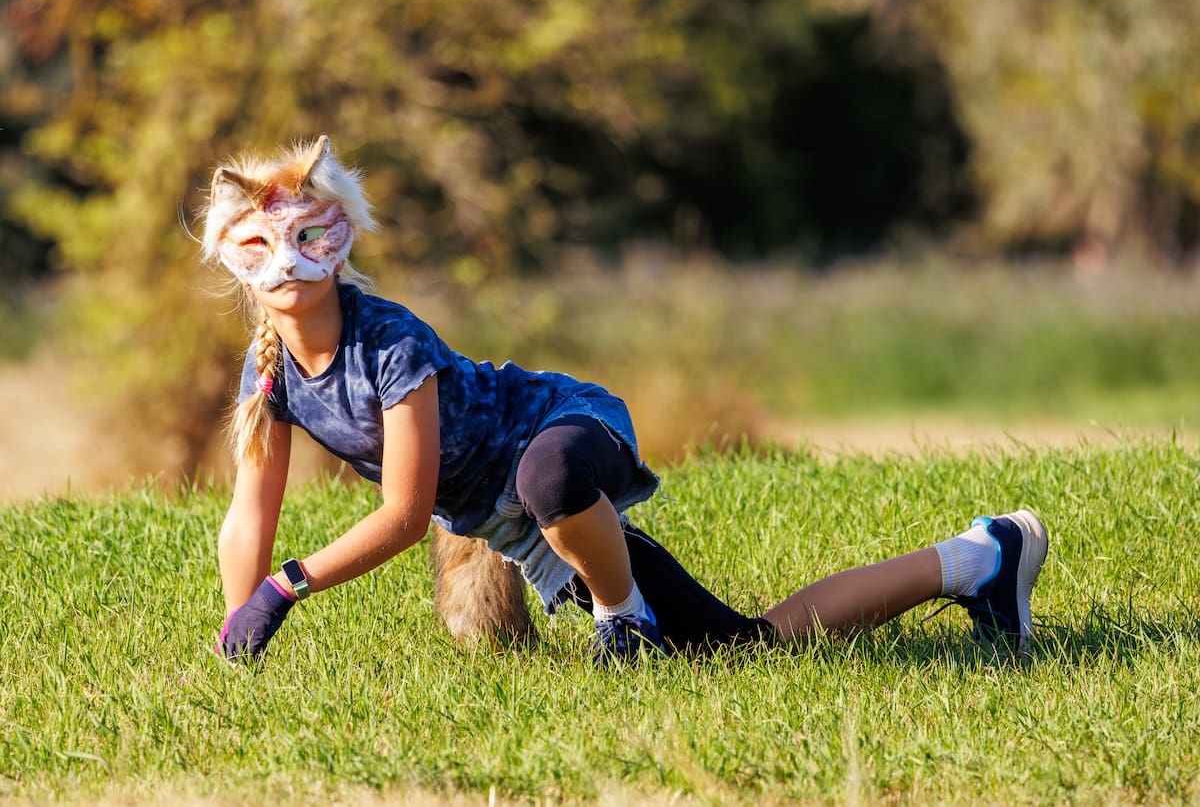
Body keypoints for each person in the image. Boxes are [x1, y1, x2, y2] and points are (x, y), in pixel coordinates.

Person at [205, 136, 1049, 666]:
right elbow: (252, 511)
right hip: (516, 524)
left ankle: (623, 620)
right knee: (744, 648)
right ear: (233, 260)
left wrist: (284, 591)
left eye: (311, 237)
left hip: (568, 429)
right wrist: (237, 628)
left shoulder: (392, 343)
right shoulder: (269, 371)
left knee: (547, 478)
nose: (287, 264)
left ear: (341, 236)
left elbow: (405, 509)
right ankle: (982, 558)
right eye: (261, 247)